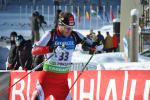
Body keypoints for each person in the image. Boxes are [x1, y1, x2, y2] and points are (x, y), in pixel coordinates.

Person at [32, 11, 102, 99]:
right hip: (46, 81)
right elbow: (34, 50)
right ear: (60, 25)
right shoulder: (51, 35)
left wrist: (97, 45)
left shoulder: (75, 35)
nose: (69, 30)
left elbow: (92, 45)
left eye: (71, 27)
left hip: (62, 84)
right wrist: (50, 48)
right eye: (67, 27)